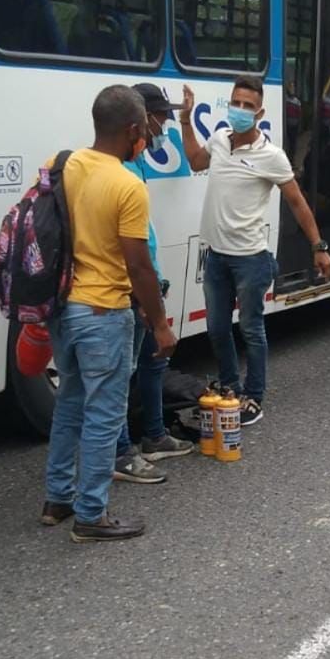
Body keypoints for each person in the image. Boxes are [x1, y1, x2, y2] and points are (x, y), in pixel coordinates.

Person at [41, 85, 177, 543]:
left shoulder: (68, 164)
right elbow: (138, 265)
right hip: (105, 312)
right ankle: (91, 514)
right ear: (135, 131)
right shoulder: (127, 184)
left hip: (64, 309)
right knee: (104, 414)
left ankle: (57, 498)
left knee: (71, 404)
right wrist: (160, 324)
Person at [179, 75, 330, 427]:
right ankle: (232, 388)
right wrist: (186, 121)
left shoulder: (271, 156)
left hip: (250, 259)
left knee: (251, 329)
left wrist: (318, 246)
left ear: (260, 112)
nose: (240, 110)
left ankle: (254, 397)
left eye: (248, 106)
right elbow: (194, 161)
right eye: (236, 103)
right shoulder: (219, 140)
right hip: (216, 256)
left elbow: (297, 203)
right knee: (217, 329)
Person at [113, 83, 195, 486]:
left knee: (152, 362)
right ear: (141, 120)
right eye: (160, 119)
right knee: (123, 371)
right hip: (134, 290)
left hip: (149, 285)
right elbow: (133, 247)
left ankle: (154, 435)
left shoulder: (135, 163)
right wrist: (148, 297)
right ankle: (121, 451)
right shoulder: (121, 169)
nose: (162, 129)